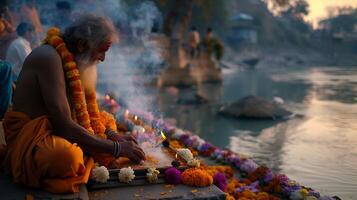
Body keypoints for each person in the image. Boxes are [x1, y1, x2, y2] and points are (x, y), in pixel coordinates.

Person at [0, 15, 145, 193]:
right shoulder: (48, 58)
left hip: (56, 130)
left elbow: (82, 113)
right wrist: (117, 148)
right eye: (102, 50)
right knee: (66, 157)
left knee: (107, 121)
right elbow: (64, 125)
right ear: (82, 45)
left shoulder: (75, 62)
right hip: (31, 138)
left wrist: (112, 135)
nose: (103, 58)